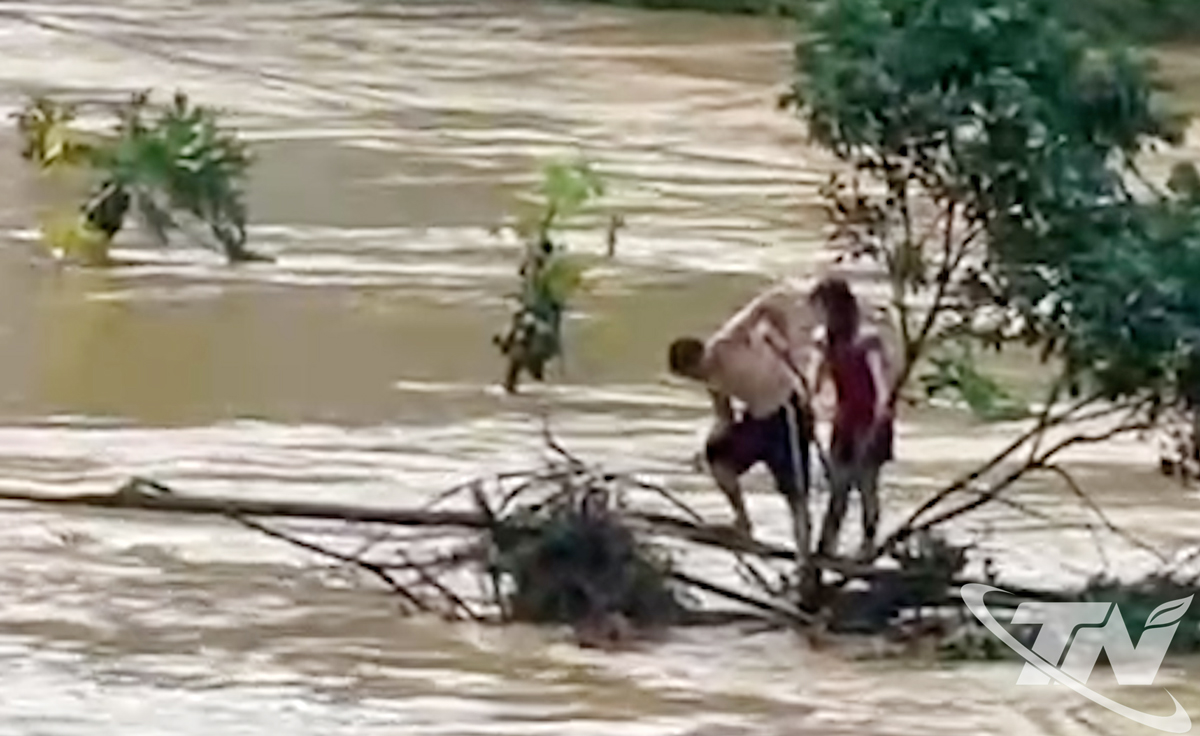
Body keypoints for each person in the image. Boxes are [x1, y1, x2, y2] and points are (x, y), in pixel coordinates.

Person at [667, 284, 815, 569]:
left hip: (786, 411)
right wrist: (707, 448)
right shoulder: (710, 380)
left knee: (795, 494)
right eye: (692, 378)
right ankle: (742, 520)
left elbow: (767, 304)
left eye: (696, 372)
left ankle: (805, 559)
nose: (700, 378)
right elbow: (724, 417)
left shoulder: (725, 343)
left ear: (700, 357)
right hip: (756, 419)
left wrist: (788, 344)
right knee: (718, 460)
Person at [808, 276, 894, 561]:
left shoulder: (866, 339)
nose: (816, 314)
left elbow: (880, 379)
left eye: (820, 307)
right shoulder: (823, 339)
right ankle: (827, 546)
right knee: (838, 485)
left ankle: (868, 543)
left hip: (870, 420)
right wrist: (807, 401)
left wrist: (883, 409)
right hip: (844, 420)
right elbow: (815, 377)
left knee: (868, 485)